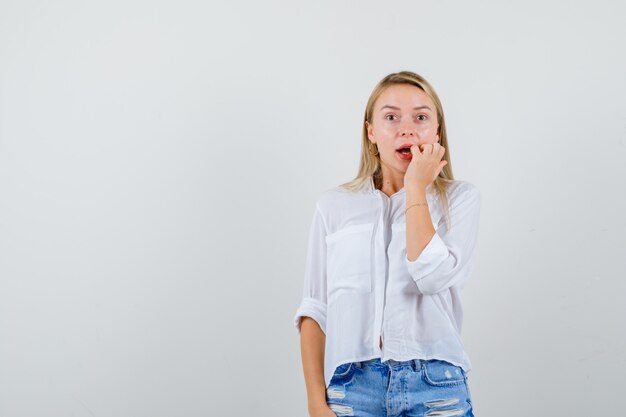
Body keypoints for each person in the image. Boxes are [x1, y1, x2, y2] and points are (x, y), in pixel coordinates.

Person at [293, 71, 481, 417]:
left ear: (437, 133)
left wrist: (416, 187)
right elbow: (314, 309)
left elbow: (431, 276)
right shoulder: (333, 206)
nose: (407, 129)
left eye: (421, 117)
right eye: (391, 117)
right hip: (352, 389)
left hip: (436, 387)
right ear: (371, 133)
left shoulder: (460, 200)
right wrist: (316, 403)